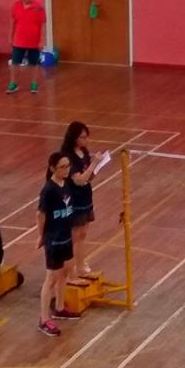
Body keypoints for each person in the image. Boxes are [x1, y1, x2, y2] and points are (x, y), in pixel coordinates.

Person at [36, 152, 78, 337]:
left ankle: (59, 307)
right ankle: (44, 319)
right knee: (51, 278)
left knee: (66, 271)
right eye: (62, 167)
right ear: (53, 168)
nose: (66, 170)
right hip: (53, 240)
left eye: (68, 166)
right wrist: (41, 236)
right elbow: (40, 214)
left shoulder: (65, 184)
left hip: (66, 237)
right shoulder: (48, 190)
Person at [60, 120, 101, 282]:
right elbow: (78, 179)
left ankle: (81, 265)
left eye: (86, 137)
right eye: (82, 137)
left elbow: (88, 177)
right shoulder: (68, 157)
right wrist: (94, 164)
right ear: (74, 137)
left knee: (83, 233)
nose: (86, 140)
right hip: (74, 198)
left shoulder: (84, 152)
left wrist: (95, 168)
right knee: (75, 235)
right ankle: (70, 271)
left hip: (85, 196)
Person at [8, 0, 48, 94]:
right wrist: (10, 37)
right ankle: (13, 83)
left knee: (34, 64)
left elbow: (43, 25)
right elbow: (12, 22)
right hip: (18, 41)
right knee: (15, 63)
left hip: (34, 41)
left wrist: (42, 40)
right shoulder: (15, 6)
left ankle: (34, 84)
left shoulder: (39, 8)